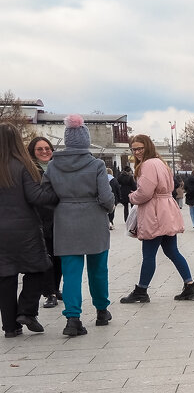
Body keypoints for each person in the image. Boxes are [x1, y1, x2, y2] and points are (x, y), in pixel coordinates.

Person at [42, 114, 115, 336]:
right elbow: (106, 197)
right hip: (94, 220)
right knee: (98, 269)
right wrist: (108, 209)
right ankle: (102, 311)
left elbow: (46, 195)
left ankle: (73, 319)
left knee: (71, 272)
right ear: (85, 141)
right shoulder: (97, 165)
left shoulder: (53, 166)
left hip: (65, 221)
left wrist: (62, 206)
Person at [120, 135, 194, 303]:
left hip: (154, 211)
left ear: (147, 146)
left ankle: (141, 290)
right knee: (172, 251)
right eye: (134, 149)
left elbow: (145, 192)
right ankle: (189, 285)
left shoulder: (147, 165)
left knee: (149, 253)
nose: (137, 152)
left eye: (140, 148)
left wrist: (132, 197)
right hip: (166, 208)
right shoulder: (161, 163)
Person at [1, 123, 58, 338]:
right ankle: (26, 311)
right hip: (25, 229)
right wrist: (56, 193)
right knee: (39, 267)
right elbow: (36, 197)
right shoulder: (23, 165)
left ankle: (10, 327)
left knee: (5, 276)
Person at [27, 137, 62, 308]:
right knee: (47, 256)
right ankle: (50, 293)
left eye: (47, 148)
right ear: (32, 152)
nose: (44, 152)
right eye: (39, 149)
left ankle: (56, 287)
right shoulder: (29, 170)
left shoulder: (58, 167)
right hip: (39, 218)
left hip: (59, 217)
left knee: (59, 256)